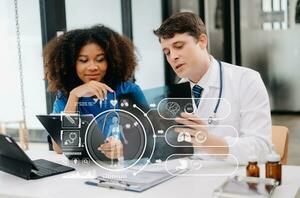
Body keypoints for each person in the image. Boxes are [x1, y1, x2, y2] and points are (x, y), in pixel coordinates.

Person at [153, 12, 272, 165]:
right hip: (190, 177)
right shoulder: (177, 91)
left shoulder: (246, 81)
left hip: (234, 177)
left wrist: (209, 142)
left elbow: (261, 149)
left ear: (202, 41)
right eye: (167, 52)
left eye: (179, 46)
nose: (173, 57)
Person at [43, 24, 147, 159]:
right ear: (71, 64)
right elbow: (59, 148)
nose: (93, 67)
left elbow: (149, 138)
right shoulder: (66, 96)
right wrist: (74, 96)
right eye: (83, 60)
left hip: (123, 170)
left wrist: (125, 147)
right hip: (83, 172)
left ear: (111, 61)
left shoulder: (128, 91)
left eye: (100, 59)